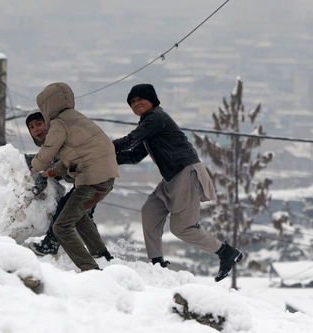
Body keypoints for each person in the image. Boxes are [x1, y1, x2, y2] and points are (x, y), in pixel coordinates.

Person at [113, 83, 243, 282]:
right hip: (171, 178)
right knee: (150, 210)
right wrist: (106, 158)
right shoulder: (149, 124)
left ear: (152, 101)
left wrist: (100, 148)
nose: (136, 104)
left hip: (185, 173)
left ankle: (226, 252)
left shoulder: (156, 118)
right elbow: (134, 155)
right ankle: (157, 262)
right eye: (132, 102)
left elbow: (130, 141)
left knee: (183, 228)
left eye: (140, 99)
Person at [30, 82, 119, 271]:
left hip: (92, 180)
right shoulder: (75, 118)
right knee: (78, 215)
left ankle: (90, 269)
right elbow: (77, 155)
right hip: (106, 176)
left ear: (46, 106)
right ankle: (101, 255)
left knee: (61, 226)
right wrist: (53, 171)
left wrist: (34, 166)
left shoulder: (58, 123)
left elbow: (46, 152)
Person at [24, 111, 101, 257]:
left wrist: (43, 176)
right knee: (82, 217)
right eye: (32, 127)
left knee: (67, 211)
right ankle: (99, 253)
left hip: (92, 180)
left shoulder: (61, 141)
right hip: (88, 181)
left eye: (39, 124)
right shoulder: (50, 147)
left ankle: (49, 246)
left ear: (48, 124)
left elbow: (66, 164)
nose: (36, 129)